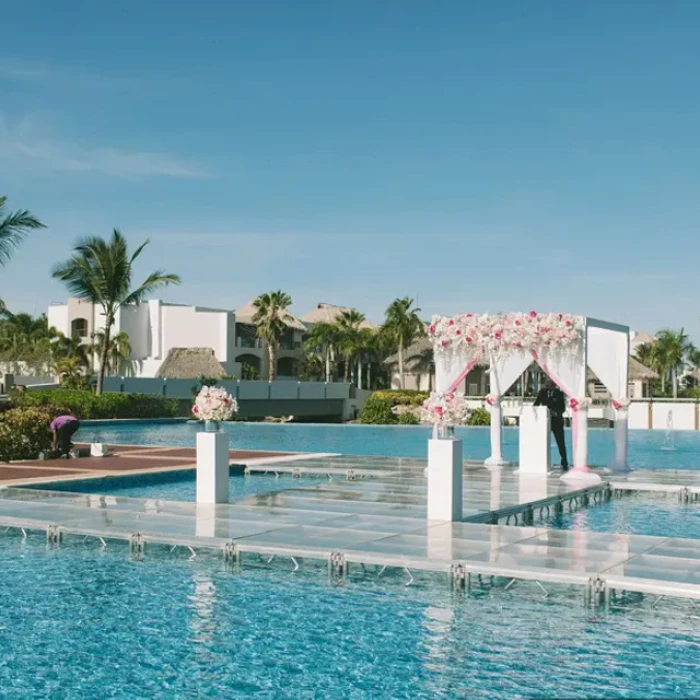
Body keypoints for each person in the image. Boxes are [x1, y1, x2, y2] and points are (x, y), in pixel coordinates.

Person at [534, 379, 569, 471]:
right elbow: (536, 404)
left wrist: (556, 412)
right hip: (545, 421)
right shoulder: (542, 392)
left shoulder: (559, 394)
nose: (549, 386)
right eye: (547, 384)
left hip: (557, 422)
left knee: (560, 442)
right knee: (541, 441)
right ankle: (539, 461)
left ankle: (564, 462)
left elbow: (562, 408)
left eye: (551, 384)